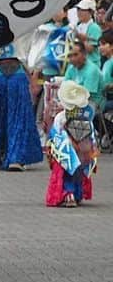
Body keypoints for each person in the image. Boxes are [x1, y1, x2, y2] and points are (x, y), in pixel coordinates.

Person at [0, 44, 44, 171]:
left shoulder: (23, 28)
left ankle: (15, 157)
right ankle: (1, 154)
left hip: (14, 74)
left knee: (17, 117)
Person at [45, 80, 98, 208]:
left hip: (67, 150)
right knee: (78, 172)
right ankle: (75, 193)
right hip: (82, 150)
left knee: (67, 172)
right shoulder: (86, 117)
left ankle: (68, 194)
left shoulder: (60, 117)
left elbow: (54, 134)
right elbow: (92, 135)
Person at [64, 38, 103, 110]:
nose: (72, 58)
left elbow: (86, 95)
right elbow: (64, 86)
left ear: (84, 54)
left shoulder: (92, 70)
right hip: (76, 100)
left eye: (76, 55)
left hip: (93, 103)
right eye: (70, 56)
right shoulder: (71, 67)